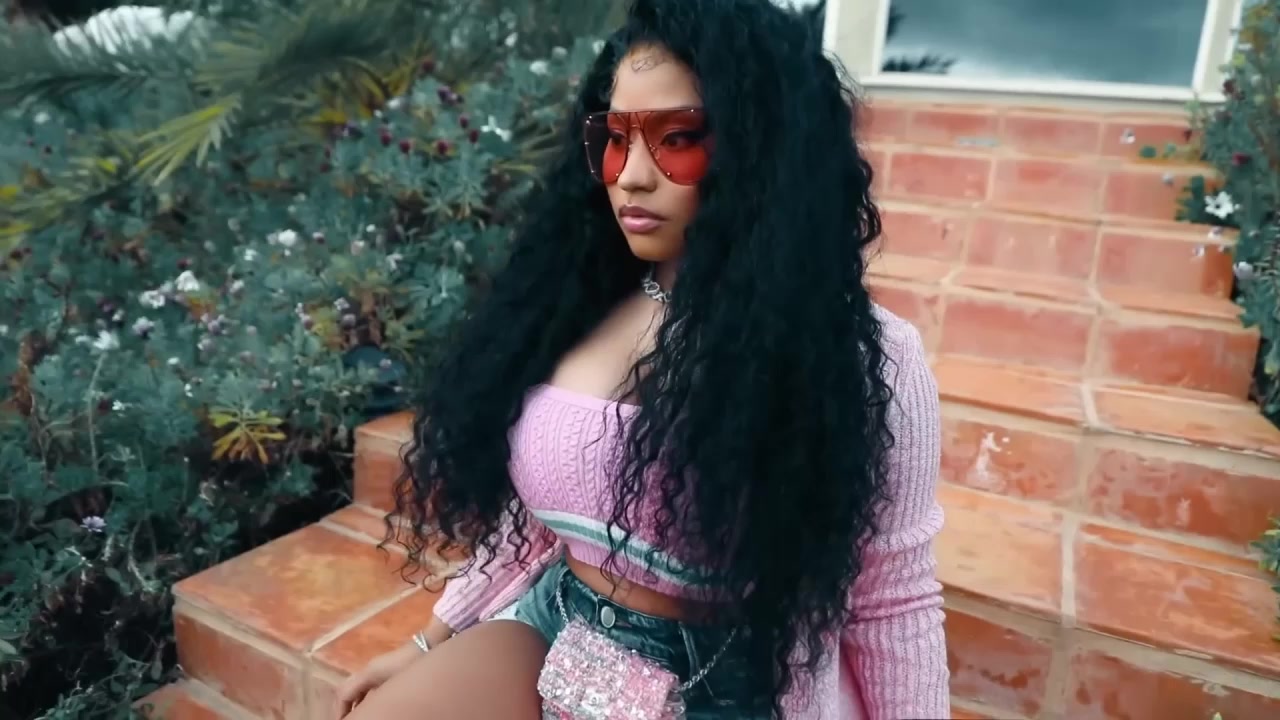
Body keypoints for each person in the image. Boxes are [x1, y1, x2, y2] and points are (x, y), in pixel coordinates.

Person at [335, 0, 949, 717]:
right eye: (616, 138)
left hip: (724, 681)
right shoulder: (577, 305)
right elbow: (534, 527)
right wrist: (428, 640)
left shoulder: (860, 357)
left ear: (760, 149)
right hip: (554, 627)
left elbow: (892, 599)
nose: (631, 175)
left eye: (677, 138)